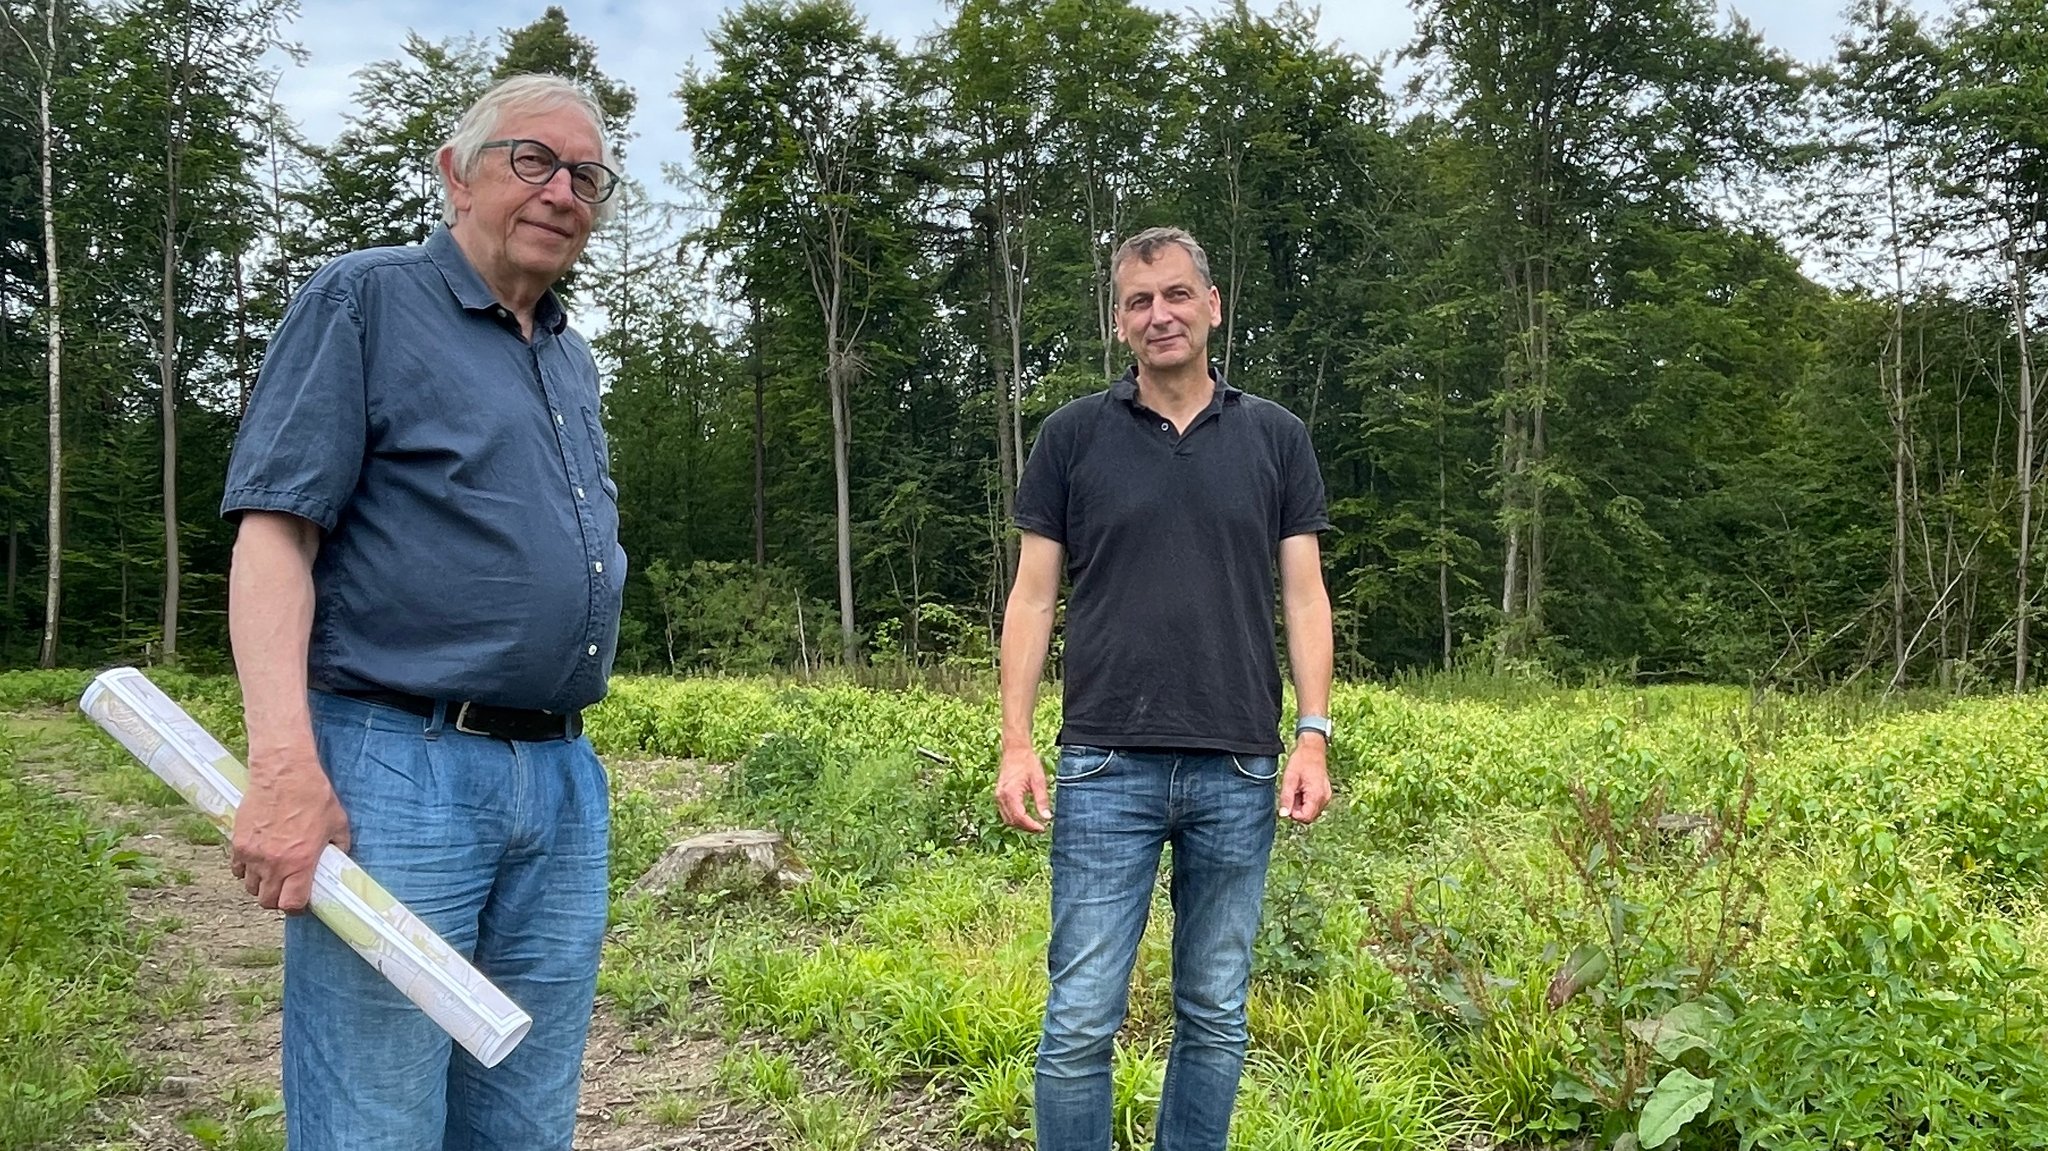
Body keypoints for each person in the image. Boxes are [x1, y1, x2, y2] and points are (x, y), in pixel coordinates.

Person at [219, 74, 626, 1150]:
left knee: (527, 1111)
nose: (560, 190)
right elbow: (274, 535)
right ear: (455, 173)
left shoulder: (569, 357)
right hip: (401, 767)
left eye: (585, 175)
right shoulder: (365, 299)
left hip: (563, 777)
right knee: (376, 1112)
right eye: (529, 160)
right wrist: (282, 764)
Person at [995, 226, 1335, 1151]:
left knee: (1215, 1012)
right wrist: (1017, 740)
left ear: (1213, 306)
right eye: (1141, 301)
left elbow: (1304, 595)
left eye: (1178, 295)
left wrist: (1312, 734)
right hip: (1106, 761)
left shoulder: (1275, 437)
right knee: (1078, 1022)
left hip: (1239, 762)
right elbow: (1032, 597)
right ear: (1119, 322)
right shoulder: (1072, 437)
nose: (1161, 315)